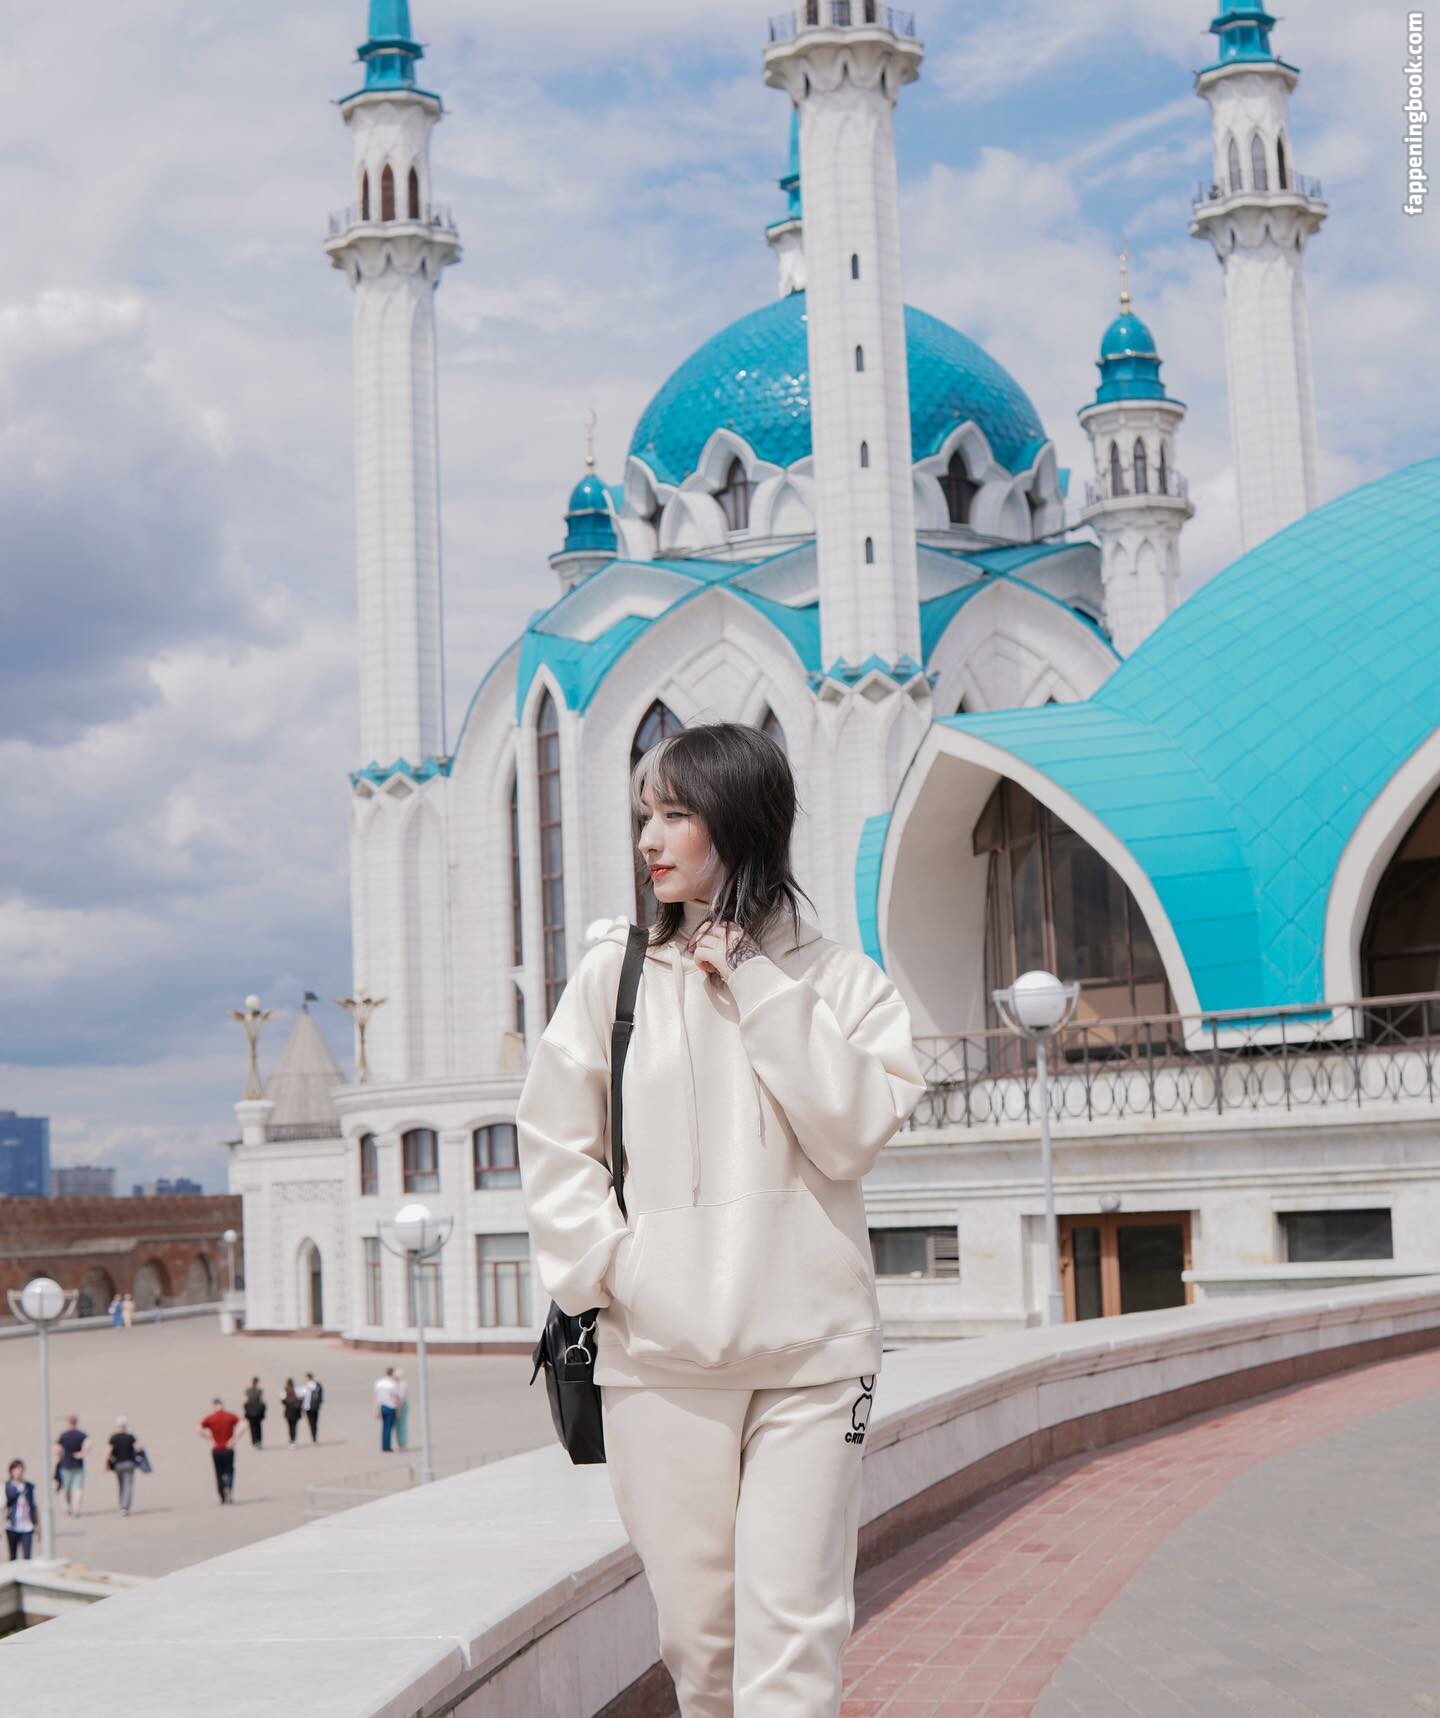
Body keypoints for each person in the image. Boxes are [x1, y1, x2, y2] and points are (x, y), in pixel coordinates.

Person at [517, 723, 924, 1716]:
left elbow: (850, 1134)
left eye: (675, 814)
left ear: (739, 821)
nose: (649, 839)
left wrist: (750, 973)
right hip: (661, 1357)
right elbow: (556, 1142)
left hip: (813, 1361)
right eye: (643, 816)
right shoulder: (614, 976)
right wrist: (617, 1272)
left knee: (795, 1641)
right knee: (704, 1650)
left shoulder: (843, 984)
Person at [198, 1398, 240, 1503]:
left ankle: (222, 1494)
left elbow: (198, 1429)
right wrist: (234, 1439)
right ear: (222, 1405)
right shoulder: (230, 1416)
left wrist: (210, 1438)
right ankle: (229, 1488)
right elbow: (243, 1424)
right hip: (228, 1448)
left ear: (214, 1406)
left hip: (216, 1449)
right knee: (229, 1471)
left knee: (219, 1472)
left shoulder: (211, 1418)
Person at [107, 1417, 144, 1517]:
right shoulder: (130, 1437)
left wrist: (106, 1464)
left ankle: (121, 1505)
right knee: (128, 1485)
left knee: (121, 1485)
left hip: (118, 1465)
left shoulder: (114, 1437)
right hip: (129, 1463)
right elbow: (138, 1447)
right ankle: (125, 1507)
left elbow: (108, 1451)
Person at [55, 1415, 89, 1518]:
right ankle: (76, 1509)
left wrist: (60, 1458)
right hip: (78, 1464)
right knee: (78, 1488)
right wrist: (82, 1453)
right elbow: (89, 1443)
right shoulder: (81, 1435)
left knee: (66, 1487)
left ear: (68, 1423)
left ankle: (67, 1506)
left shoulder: (64, 1435)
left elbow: (58, 1449)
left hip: (66, 1464)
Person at [5, 1461, 37, 1560]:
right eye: (16, 1469)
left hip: (27, 1525)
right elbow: (3, 1507)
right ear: (11, 1471)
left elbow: (34, 1507)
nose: (19, 1472)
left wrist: (37, 1525)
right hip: (12, 1525)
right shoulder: (7, 1486)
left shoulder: (29, 1486)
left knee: (27, 1557)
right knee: (13, 1556)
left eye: (20, 1469)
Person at [373, 1367, 398, 1452]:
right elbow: (395, 1397)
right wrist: (398, 1410)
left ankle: (384, 1445)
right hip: (391, 1406)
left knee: (384, 1427)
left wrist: (377, 1410)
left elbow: (377, 1397)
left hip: (382, 1406)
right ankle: (387, 1447)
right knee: (389, 1428)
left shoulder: (379, 1383)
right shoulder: (392, 1384)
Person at [300, 1372, 323, 1443]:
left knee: (311, 1423)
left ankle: (313, 1437)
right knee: (315, 1423)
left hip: (308, 1407)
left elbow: (301, 1396)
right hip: (315, 1407)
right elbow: (321, 1397)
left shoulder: (306, 1386)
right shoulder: (318, 1385)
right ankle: (314, 1437)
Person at [243, 1377, 266, 1448]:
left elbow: (247, 1400)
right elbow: (261, 1401)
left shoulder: (248, 1390)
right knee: (258, 1427)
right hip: (257, 1410)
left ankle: (255, 1441)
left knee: (253, 1427)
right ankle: (258, 1440)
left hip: (251, 1410)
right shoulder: (259, 1391)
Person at [280, 1378, 303, 1445]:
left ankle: (291, 1440)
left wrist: (288, 1403)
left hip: (288, 1410)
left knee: (290, 1426)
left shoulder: (285, 1390)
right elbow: (301, 1398)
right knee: (294, 1426)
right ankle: (293, 1439)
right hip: (295, 1411)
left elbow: (282, 1400)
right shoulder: (297, 1389)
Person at [393, 1367, 410, 1450]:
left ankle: (403, 1444)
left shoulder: (403, 1384)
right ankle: (400, 1443)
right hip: (396, 1405)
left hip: (401, 1405)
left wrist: (398, 1408)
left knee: (402, 1425)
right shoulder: (394, 1384)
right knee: (397, 1426)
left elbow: (401, 1397)